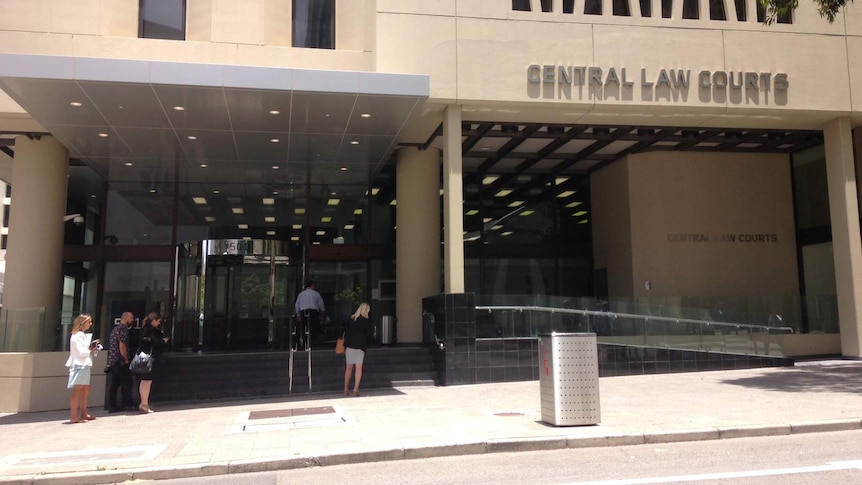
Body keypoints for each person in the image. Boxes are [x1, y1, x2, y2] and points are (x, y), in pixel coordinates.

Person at [65, 313, 98, 423]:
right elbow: (80, 352)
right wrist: (90, 350)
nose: (91, 324)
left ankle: (83, 412)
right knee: (78, 389)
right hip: (79, 364)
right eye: (89, 322)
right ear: (83, 323)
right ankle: (74, 416)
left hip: (84, 364)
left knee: (85, 388)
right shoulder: (77, 336)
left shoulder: (82, 335)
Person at [136, 312, 169, 414]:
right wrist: (163, 341)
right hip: (149, 358)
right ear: (154, 320)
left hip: (144, 357)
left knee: (145, 380)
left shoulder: (145, 329)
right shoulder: (151, 330)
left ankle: (144, 403)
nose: (159, 323)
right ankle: (144, 404)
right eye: (158, 321)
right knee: (146, 381)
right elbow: (156, 342)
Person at [107, 312, 135, 412]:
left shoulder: (115, 329)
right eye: (131, 318)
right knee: (126, 382)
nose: (133, 320)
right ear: (126, 318)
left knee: (115, 384)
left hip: (114, 360)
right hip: (121, 361)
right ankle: (127, 403)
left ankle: (112, 405)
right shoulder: (123, 329)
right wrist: (126, 359)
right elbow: (122, 345)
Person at [343, 302, 371, 397]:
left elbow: (346, 333)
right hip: (359, 347)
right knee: (358, 368)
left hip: (350, 346)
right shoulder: (365, 321)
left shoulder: (351, 319)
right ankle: (355, 389)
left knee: (348, 368)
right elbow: (367, 335)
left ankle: (346, 388)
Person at [294, 280, 325, 350]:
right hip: (313, 312)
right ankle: (312, 342)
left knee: (303, 328)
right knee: (315, 327)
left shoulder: (301, 294)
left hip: (303, 312)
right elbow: (321, 304)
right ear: (312, 285)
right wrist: (322, 312)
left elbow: (297, 305)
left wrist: (298, 314)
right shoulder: (316, 294)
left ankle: (304, 342)